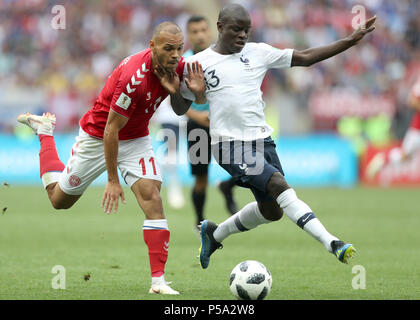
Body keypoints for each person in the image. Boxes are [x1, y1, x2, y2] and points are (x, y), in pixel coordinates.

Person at [180, 4, 376, 269]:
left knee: (272, 211)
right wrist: (193, 93)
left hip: (263, 142)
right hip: (228, 145)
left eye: (246, 30)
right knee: (278, 183)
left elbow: (306, 57)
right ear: (220, 27)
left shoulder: (258, 52)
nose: (242, 35)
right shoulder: (198, 64)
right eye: (236, 29)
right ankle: (333, 243)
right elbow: (179, 107)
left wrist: (349, 41)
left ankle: (214, 235)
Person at [17, 22, 206, 293]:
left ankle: (158, 281)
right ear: (152, 46)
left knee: (153, 197)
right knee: (59, 201)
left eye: (179, 48)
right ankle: (45, 133)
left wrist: (182, 91)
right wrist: (113, 179)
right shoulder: (134, 77)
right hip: (98, 137)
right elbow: (111, 129)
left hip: (137, 138)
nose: (176, 55)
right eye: (169, 49)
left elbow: (178, 110)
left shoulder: (177, 67)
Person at [183, 15, 239, 230]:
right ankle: (199, 223)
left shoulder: (223, 57)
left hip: (225, 123)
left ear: (211, 31)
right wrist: (200, 118)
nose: (200, 35)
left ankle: (227, 186)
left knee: (248, 166)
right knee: (201, 179)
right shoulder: (183, 63)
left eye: (203, 30)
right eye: (194, 31)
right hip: (197, 128)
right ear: (189, 35)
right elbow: (177, 103)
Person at [366, 75, 420, 178]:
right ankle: (383, 157)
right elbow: (411, 101)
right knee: (404, 155)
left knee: (406, 156)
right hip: (418, 129)